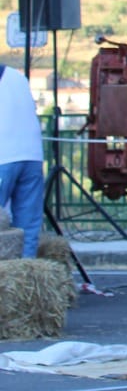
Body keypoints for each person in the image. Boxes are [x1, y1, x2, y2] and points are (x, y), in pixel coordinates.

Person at [0, 63, 46, 258]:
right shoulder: (17, 76)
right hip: (32, 156)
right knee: (28, 226)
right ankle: (26, 275)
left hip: (4, 156)